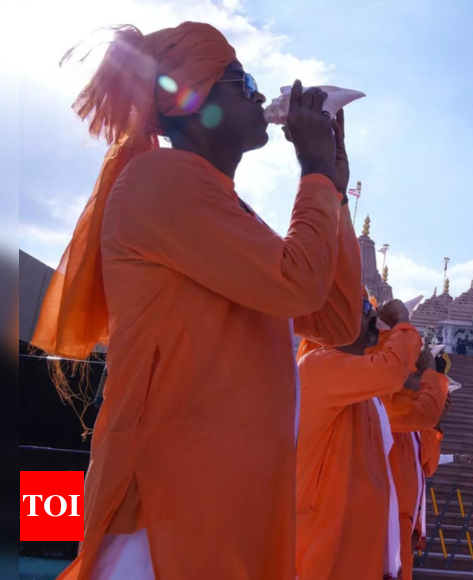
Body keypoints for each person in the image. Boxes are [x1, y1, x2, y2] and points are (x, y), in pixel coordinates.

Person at [32, 22, 364, 580]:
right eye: (243, 79)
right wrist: (313, 173)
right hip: (167, 518)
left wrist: (332, 187)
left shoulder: (227, 209)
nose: (260, 93)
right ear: (190, 100)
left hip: (229, 510)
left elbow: (335, 320)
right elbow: (299, 284)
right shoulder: (158, 181)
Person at [296, 297, 421, 580]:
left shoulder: (363, 387)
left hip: (360, 540)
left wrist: (392, 331)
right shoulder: (317, 366)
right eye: (365, 310)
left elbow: (387, 366)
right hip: (327, 537)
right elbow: (390, 371)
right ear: (336, 322)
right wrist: (402, 321)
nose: (373, 316)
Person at [384, 346, 450, 580]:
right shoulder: (389, 410)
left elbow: (427, 467)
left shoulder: (412, 423)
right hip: (387, 519)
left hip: (406, 520)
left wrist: (435, 426)